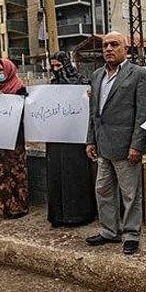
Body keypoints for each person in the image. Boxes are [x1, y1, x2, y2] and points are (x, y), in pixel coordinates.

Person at [85, 32, 146, 255]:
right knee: (102, 189)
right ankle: (109, 231)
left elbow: (143, 113)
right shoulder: (96, 75)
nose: (109, 49)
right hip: (103, 146)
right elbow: (94, 113)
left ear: (126, 49)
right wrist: (90, 140)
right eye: (105, 45)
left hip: (126, 148)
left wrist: (137, 145)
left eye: (114, 44)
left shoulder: (138, 74)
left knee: (130, 194)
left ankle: (131, 234)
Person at [45, 51, 96, 227]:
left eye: (59, 66)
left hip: (76, 140)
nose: (56, 70)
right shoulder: (51, 85)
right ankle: (59, 216)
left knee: (76, 175)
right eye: (53, 66)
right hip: (55, 139)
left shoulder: (82, 82)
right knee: (56, 176)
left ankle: (78, 215)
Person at [0, 58, 29, 219]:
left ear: (9, 70)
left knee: (13, 171)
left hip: (14, 138)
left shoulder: (19, 88)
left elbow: (26, 112)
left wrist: (4, 99)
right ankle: (1, 206)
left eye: (0, 70)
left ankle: (16, 206)